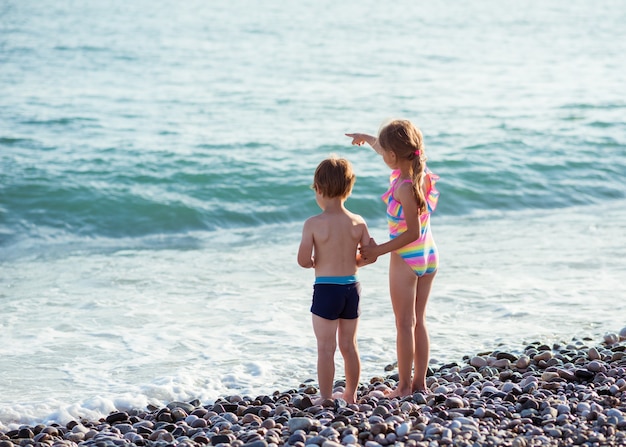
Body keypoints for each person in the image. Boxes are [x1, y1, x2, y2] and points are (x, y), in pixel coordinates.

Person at [346, 119, 440, 397]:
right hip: (429, 255)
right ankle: (419, 383)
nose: (382, 154)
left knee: (403, 324)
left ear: (393, 156)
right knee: (418, 321)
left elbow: (411, 233)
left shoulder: (403, 187)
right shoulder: (420, 172)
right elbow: (391, 152)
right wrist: (369, 139)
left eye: (384, 151)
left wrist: (377, 251)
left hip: (407, 258)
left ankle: (403, 387)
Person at [297, 155, 374, 404]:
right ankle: (351, 395)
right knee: (349, 346)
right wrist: (355, 261)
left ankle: (327, 397)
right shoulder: (358, 222)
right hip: (352, 288)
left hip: (326, 289)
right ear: (349, 188)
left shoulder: (313, 224)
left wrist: (312, 263)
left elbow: (302, 260)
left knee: (325, 348)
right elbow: (368, 256)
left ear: (318, 189)